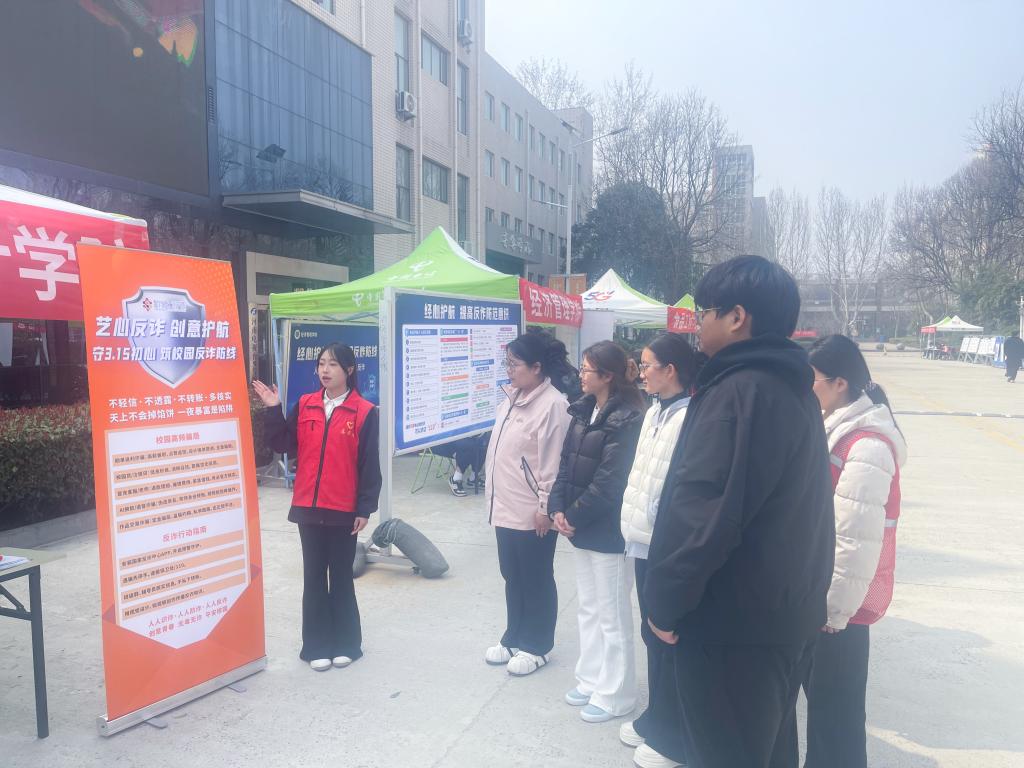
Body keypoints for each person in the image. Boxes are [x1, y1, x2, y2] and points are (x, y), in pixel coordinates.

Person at [644, 256, 835, 767]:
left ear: (736, 317)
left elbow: (703, 515)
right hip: (781, 617)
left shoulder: (739, 391)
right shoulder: (790, 386)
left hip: (732, 628)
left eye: (704, 311)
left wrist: (664, 603)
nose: (697, 323)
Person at [805, 334, 907, 768]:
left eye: (811, 379)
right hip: (824, 596)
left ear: (840, 383)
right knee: (826, 706)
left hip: (840, 609)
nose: (806, 387)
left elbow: (855, 540)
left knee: (837, 714)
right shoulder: (836, 426)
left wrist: (834, 612)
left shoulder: (867, 445)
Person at [252, 343, 381, 672]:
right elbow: (283, 444)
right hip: (308, 505)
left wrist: (364, 508)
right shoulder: (306, 404)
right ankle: (316, 645)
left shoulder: (364, 411)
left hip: (343, 509)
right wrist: (273, 408)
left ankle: (347, 644)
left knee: (340, 576)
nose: (325, 370)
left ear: (349, 370)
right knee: (313, 577)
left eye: (333, 364)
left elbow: (369, 464)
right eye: (321, 363)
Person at [550, 341, 645, 723]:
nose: (581, 375)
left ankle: (617, 693)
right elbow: (565, 464)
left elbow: (611, 481)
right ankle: (591, 678)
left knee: (612, 614)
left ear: (607, 376)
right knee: (588, 608)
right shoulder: (582, 410)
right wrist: (557, 508)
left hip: (608, 530)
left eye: (587, 369)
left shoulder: (628, 418)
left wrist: (574, 515)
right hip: (580, 526)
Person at [618, 334, 699, 768]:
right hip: (642, 539)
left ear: (671, 370)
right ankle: (657, 716)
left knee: (668, 635)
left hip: (666, 544)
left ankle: (675, 733)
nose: (641, 372)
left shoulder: (690, 416)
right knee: (652, 633)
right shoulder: (654, 410)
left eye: (648, 365)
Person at [483, 332, 575, 676]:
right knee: (512, 575)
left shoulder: (553, 405)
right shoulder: (510, 399)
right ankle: (514, 636)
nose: (508, 370)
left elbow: (553, 461)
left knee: (536, 577)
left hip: (532, 510)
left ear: (537, 367)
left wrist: (545, 507)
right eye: (506, 363)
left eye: (514, 364)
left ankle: (537, 645)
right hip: (504, 506)